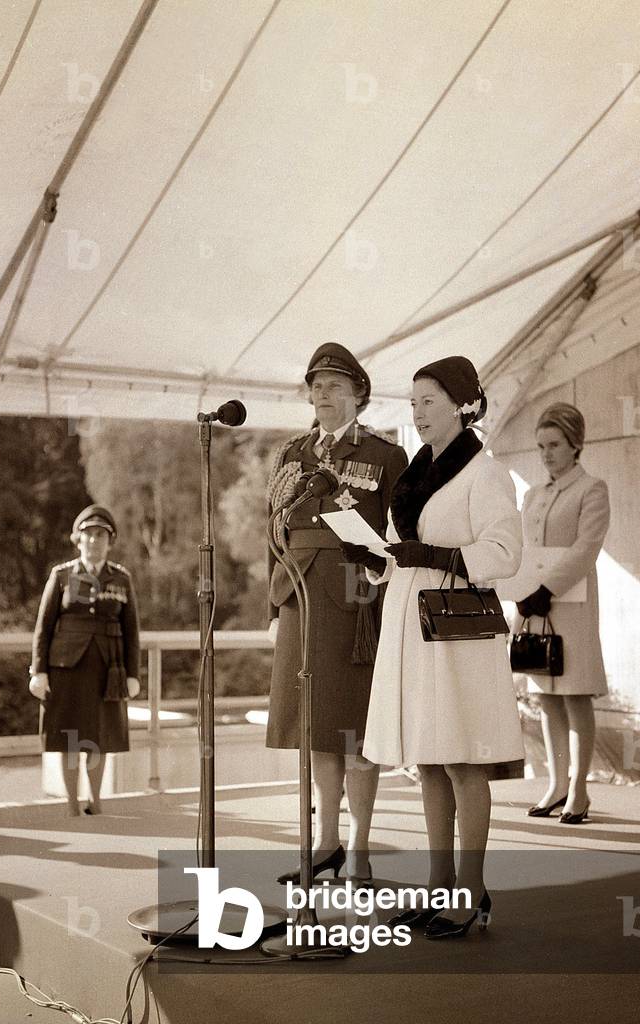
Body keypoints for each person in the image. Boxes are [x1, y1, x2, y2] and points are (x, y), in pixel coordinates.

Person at [360, 356, 523, 938]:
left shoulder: (485, 471)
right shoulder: (416, 472)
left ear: (459, 403)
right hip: (412, 623)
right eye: (412, 403)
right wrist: (376, 557)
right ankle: (439, 888)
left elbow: (505, 552)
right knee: (428, 757)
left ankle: (471, 889)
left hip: (456, 632)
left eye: (428, 401)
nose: (418, 412)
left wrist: (437, 557)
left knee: (460, 759)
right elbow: (404, 547)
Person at [266, 342, 408, 882]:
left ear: (359, 395)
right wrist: (272, 602)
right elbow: (273, 531)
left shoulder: (385, 455)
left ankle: (361, 846)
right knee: (316, 730)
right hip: (297, 597)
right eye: (316, 386)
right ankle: (325, 842)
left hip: (355, 604)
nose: (322, 394)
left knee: (354, 730)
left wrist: (383, 579)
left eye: (334, 386)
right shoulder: (291, 454)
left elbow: (400, 533)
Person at [519, 403, 609, 825]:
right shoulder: (532, 496)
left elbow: (585, 548)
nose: (546, 454)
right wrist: (521, 590)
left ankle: (579, 789)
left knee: (574, 695)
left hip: (569, 606)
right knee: (545, 697)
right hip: (535, 607)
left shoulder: (592, 489)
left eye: (554, 444)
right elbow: (522, 549)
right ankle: (556, 783)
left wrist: (545, 588)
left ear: (575, 444)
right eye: (540, 446)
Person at [29, 504, 141, 816]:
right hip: (66, 670)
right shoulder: (62, 576)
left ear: (110, 541)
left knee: (99, 737)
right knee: (70, 738)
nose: (94, 541)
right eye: (88, 535)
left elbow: (132, 631)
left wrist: (133, 674)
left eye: (101, 536)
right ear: (78, 540)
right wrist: (39, 671)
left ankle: (96, 802)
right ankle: (71, 806)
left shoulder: (121, 579)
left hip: (107, 671)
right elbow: (44, 627)